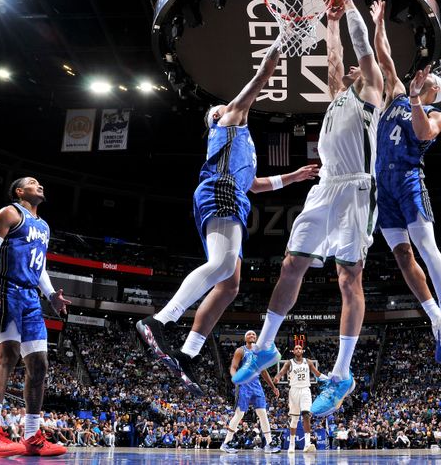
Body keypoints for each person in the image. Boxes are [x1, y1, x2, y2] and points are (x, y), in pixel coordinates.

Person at [233, 0, 384, 419]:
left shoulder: (372, 91)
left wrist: (351, 6)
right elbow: (336, 62)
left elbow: (361, 52)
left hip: (357, 188)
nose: (351, 71)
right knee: (291, 264)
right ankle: (264, 347)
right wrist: (331, 24)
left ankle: (340, 374)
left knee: (347, 279)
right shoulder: (340, 97)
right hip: (325, 189)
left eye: (358, 68)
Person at [136, 35, 319, 394]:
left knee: (230, 284)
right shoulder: (229, 121)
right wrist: (283, 37)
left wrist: (294, 177)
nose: (234, 105)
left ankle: (188, 353)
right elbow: (262, 77)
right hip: (219, 191)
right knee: (222, 265)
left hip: (230, 193)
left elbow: (254, 185)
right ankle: (158, 321)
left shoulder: (242, 143)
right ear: (217, 116)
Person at [369, 0, 441, 362]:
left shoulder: (435, 114)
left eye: (426, 82)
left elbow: (423, 135)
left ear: (434, 90)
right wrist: (378, 23)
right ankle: (436, 319)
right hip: (383, 186)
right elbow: (385, 57)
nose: (419, 80)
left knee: (426, 247)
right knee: (402, 255)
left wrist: (415, 99)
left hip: (409, 179)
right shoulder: (394, 96)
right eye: (419, 79)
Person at [0, 177, 71, 457]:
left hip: (31, 296)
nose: (40, 185)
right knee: (7, 355)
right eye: (32, 182)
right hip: (6, 289)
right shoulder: (9, 213)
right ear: (19, 191)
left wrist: (51, 294)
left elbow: (38, 265)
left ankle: (32, 436)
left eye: (41, 183)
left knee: (39, 365)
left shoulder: (43, 226)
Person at [220, 331, 280, 454]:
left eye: (254, 334)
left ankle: (269, 444)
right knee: (239, 414)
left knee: (263, 413)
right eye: (249, 334)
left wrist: (273, 387)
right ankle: (225, 443)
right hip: (244, 385)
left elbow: (264, 371)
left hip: (256, 386)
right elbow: (233, 367)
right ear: (245, 338)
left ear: (256, 338)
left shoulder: (259, 353)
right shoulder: (240, 351)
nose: (252, 336)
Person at [273, 343, 327, 452]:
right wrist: (277, 377)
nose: (298, 349)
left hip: (305, 390)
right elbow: (282, 372)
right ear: (293, 351)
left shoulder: (308, 362)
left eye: (300, 348)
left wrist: (328, 378)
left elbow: (317, 374)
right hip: (294, 390)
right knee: (294, 419)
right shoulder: (289, 362)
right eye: (296, 348)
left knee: (306, 414)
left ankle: (307, 443)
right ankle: (291, 444)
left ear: (302, 351)